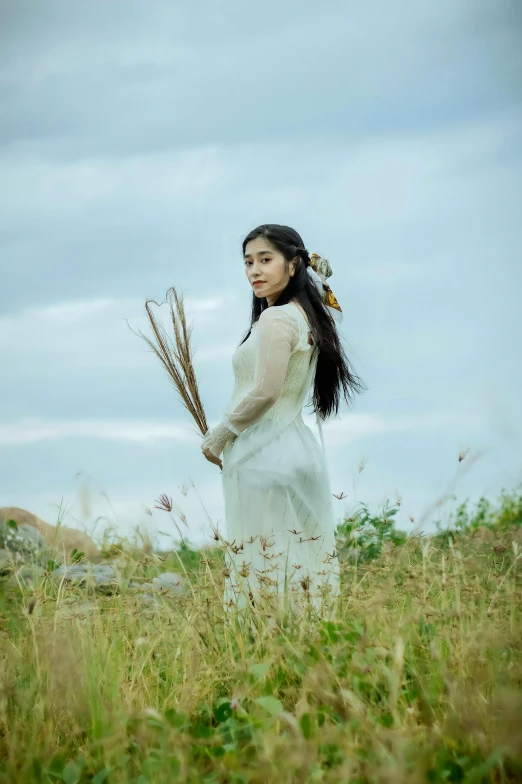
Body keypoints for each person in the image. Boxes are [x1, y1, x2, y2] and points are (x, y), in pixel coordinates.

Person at [201, 224, 365, 617]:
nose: (254, 271)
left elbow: (265, 391)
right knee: (300, 565)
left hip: (264, 453)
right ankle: (309, 649)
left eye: (265, 260)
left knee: (263, 567)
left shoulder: (276, 320)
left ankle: (267, 652)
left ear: (293, 266)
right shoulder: (305, 316)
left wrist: (219, 435)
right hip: (295, 449)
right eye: (248, 262)